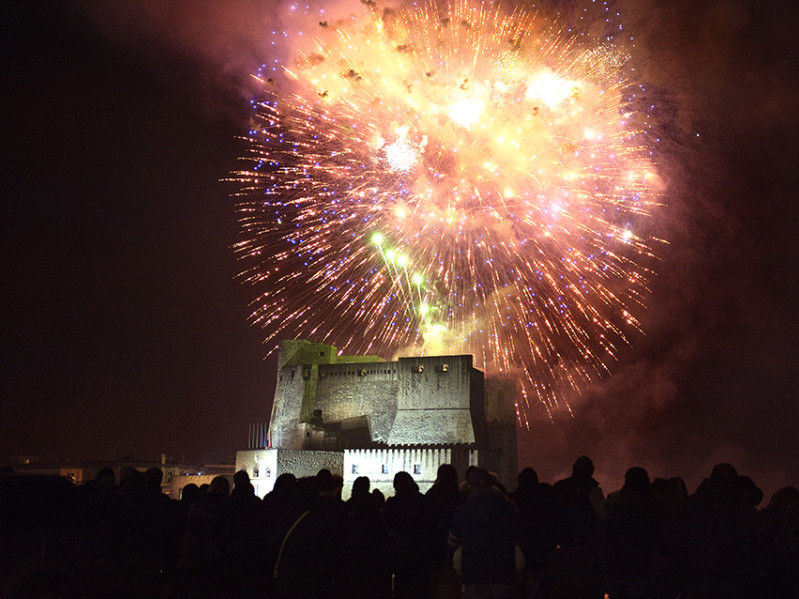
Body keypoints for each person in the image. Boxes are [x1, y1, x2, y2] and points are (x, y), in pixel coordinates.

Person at [448, 467, 520, 599]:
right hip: (503, 575)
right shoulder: (509, 509)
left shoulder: (462, 511)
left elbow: (453, 542)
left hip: (474, 577)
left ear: (469, 485)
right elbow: (518, 537)